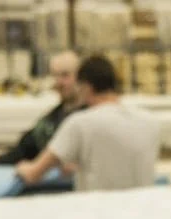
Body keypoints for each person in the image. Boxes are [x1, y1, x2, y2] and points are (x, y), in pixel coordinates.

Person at [16, 56, 160, 192]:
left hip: (98, 214)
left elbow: (33, 174)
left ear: (85, 87)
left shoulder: (80, 124)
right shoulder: (150, 121)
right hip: (141, 213)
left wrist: (23, 168)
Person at [0, 51, 84, 165]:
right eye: (55, 75)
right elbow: (24, 149)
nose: (59, 82)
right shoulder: (50, 120)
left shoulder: (89, 117)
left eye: (65, 75)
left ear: (81, 77)